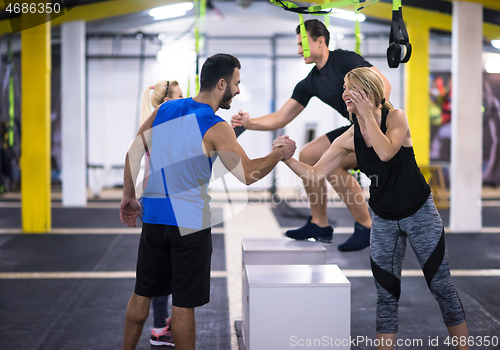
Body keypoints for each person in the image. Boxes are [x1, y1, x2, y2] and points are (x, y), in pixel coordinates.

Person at [279, 67, 468, 350]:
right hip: (383, 219)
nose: (343, 94)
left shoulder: (396, 118)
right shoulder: (348, 138)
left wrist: (368, 116)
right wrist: (287, 159)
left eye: (349, 88)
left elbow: (386, 151)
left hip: (419, 212)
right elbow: (315, 175)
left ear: (368, 93)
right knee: (386, 295)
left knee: (441, 287)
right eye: (343, 87)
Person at [120, 53, 296, 350]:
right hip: (189, 223)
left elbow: (134, 151)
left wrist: (128, 195)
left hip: (153, 218)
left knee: (142, 293)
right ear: (222, 83)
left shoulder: (165, 109)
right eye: (237, 84)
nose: (238, 90)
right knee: (183, 303)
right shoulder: (216, 126)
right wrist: (280, 152)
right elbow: (249, 174)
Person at [231, 19, 391, 252]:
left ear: (320, 41)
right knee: (308, 154)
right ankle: (320, 224)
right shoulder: (311, 82)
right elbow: (282, 117)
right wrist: (249, 123)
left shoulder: (344, 60)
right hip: (357, 128)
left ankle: (366, 225)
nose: (298, 51)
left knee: (332, 163)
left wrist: (369, 118)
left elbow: (384, 85)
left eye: (302, 45)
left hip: (378, 128)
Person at [138, 80, 183, 347]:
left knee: (157, 270)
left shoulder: (153, 125)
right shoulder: (167, 127)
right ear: (167, 102)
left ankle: (159, 326)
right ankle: (161, 326)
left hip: (152, 200)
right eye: (179, 96)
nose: (184, 99)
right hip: (163, 202)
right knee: (167, 270)